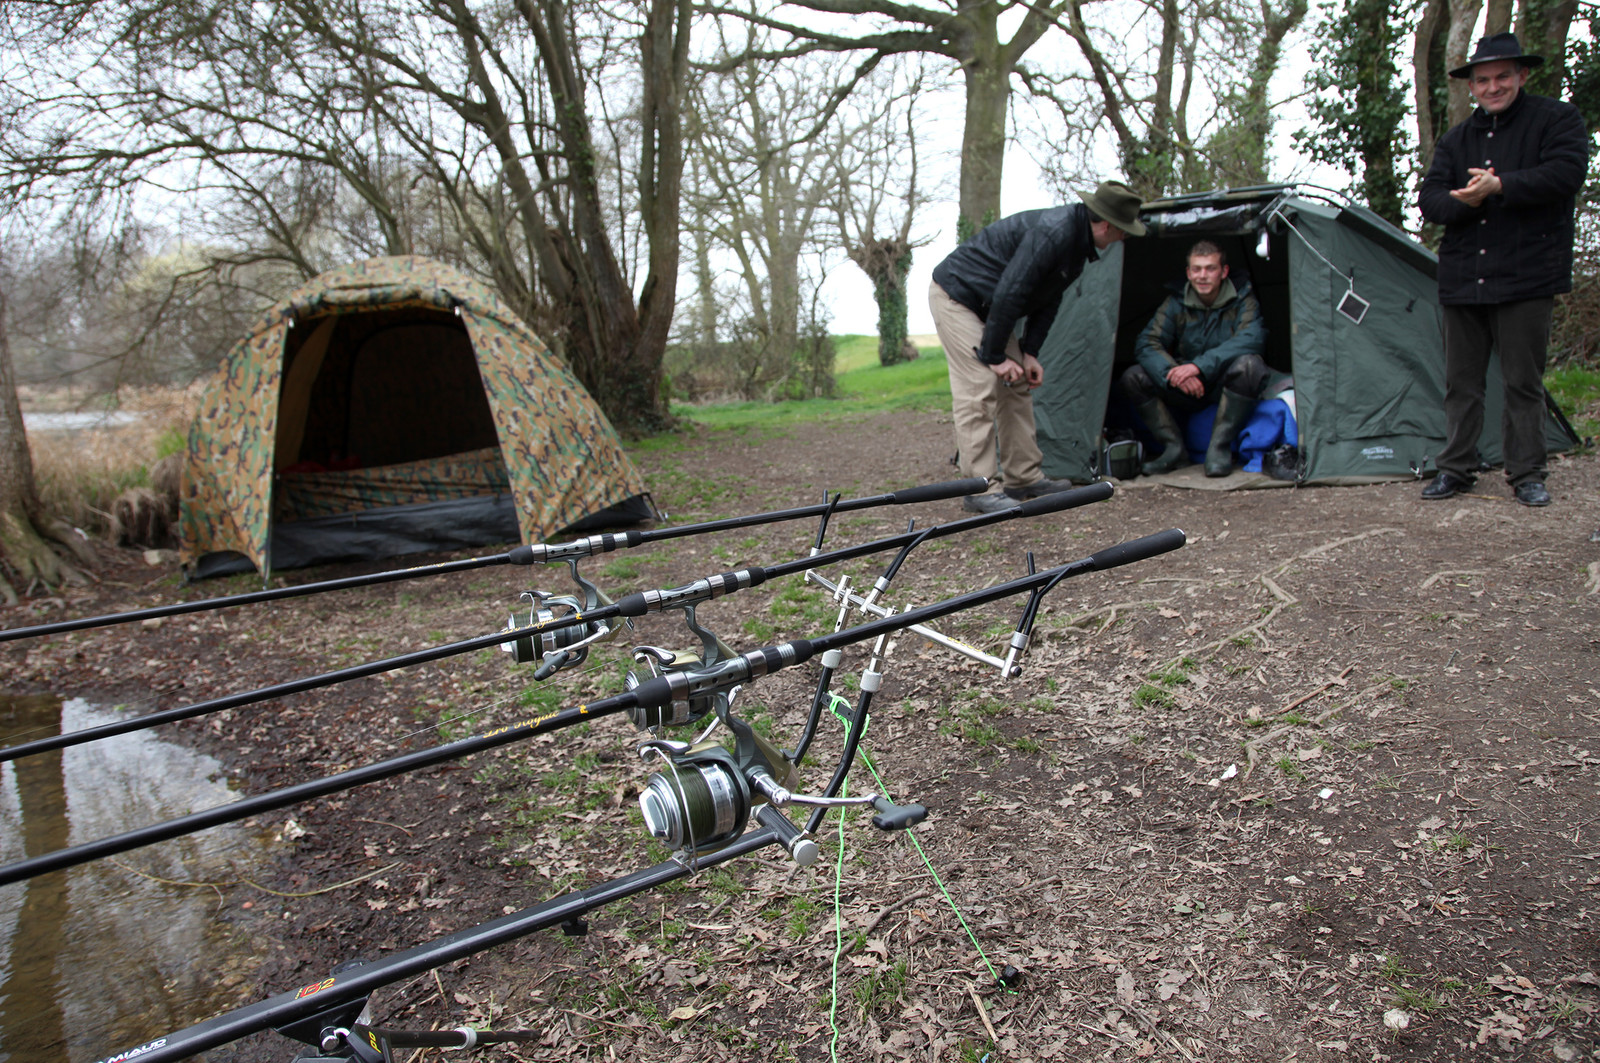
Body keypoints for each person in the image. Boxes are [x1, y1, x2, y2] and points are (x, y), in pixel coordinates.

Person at [1417, 32, 1587, 507]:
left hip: (1527, 276)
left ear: (1522, 76)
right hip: (1463, 279)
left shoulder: (1557, 120)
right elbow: (1430, 200)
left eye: (1502, 77)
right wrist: (1466, 201)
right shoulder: (1456, 140)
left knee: (1522, 382)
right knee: (1461, 384)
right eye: (1483, 80)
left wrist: (1501, 186)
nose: (1493, 87)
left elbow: (1567, 174)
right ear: (1471, 85)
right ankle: (1456, 468)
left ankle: (1527, 472)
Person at [930, 180, 1146, 513]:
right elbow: (1011, 290)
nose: (1124, 238)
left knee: (1017, 382)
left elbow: (1047, 300)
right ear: (1107, 226)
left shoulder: (1078, 243)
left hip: (991, 307)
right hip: (957, 298)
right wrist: (994, 357)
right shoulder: (1054, 232)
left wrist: (1030, 353)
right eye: (1124, 232)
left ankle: (1023, 477)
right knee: (980, 386)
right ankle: (979, 488)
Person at [1120, 240, 1268, 478]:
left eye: (1210, 268)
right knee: (1133, 376)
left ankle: (1219, 448)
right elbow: (1147, 342)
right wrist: (1172, 372)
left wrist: (1198, 367)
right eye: (1197, 269)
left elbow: (1252, 339)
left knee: (1251, 366)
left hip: (1223, 384)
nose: (1203, 276)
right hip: (1186, 387)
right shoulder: (1175, 302)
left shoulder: (1243, 299)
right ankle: (1173, 449)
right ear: (1188, 273)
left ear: (1224, 271)